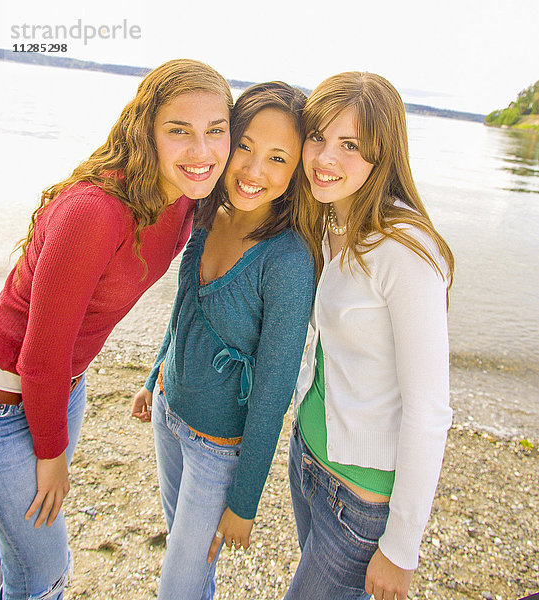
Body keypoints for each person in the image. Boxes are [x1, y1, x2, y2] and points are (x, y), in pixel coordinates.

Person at [0, 58, 233, 600]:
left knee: (6, 555)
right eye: (180, 131)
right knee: (43, 574)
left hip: (60, 390)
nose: (202, 150)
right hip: (8, 402)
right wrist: (52, 458)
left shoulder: (182, 197)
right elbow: (39, 357)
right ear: (146, 129)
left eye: (216, 131)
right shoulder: (95, 212)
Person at [131, 81, 316, 600]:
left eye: (278, 158)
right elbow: (184, 308)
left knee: (178, 585)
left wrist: (246, 501)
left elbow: (274, 389)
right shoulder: (209, 209)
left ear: (297, 169)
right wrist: (154, 376)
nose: (254, 170)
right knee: (182, 553)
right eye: (245, 146)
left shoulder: (288, 262)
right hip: (168, 414)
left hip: (219, 448)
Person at [285, 71, 455, 600]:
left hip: (359, 497)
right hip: (309, 458)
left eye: (350, 145)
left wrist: (402, 548)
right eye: (318, 137)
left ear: (383, 157)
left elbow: (430, 409)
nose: (324, 158)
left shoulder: (405, 251)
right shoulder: (335, 224)